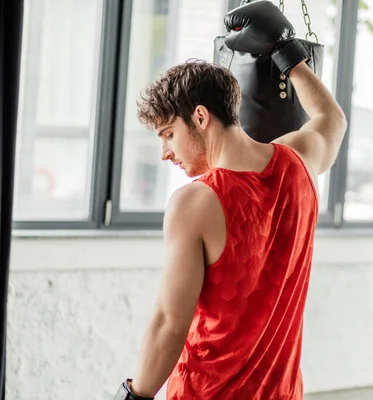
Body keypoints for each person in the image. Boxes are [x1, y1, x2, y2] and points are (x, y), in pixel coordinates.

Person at [113, 1, 347, 399]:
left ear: (201, 117)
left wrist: (133, 396)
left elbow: (171, 322)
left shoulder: (195, 202)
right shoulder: (298, 165)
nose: (165, 153)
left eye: (169, 133)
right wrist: (288, 55)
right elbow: (332, 120)